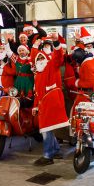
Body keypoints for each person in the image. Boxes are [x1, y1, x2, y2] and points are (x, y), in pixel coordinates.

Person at [33, 33, 69, 166]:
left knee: (46, 129)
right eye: (38, 58)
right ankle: (56, 150)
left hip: (52, 102)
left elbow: (58, 57)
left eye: (42, 58)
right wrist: (35, 106)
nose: (40, 60)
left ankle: (48, 156)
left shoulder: (51, 66)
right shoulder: (38, 74)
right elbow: (37, 93)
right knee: (47, 129)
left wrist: (56, 44)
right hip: (44, 104)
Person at [71, 47, 94, 114]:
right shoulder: (90, 62)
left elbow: (89, 83)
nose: (76, 64)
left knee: (78, 112)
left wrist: (78, 83)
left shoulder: (87, 65)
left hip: (90, 94)